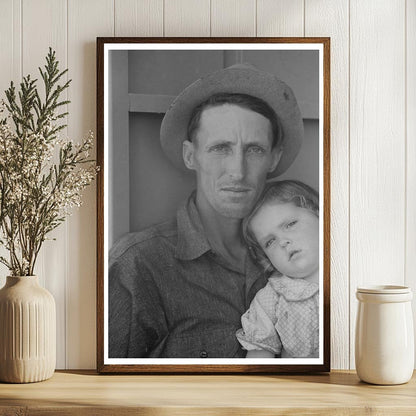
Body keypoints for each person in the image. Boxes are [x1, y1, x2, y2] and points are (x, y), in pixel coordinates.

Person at [109, 63, 304, 358]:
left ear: (273, 159)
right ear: (191, 155)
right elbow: (111, 393)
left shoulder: (302, 254)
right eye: (220, 148)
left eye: (254, 150)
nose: (237, 171)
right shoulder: (138, 264)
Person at [236, 180, 319, 358]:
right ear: (266, 258)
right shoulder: (270, 299)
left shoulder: (354, 270)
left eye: (290, 224)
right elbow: (259, 361)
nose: (283, 241)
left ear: (319, 214)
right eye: (270, 241)